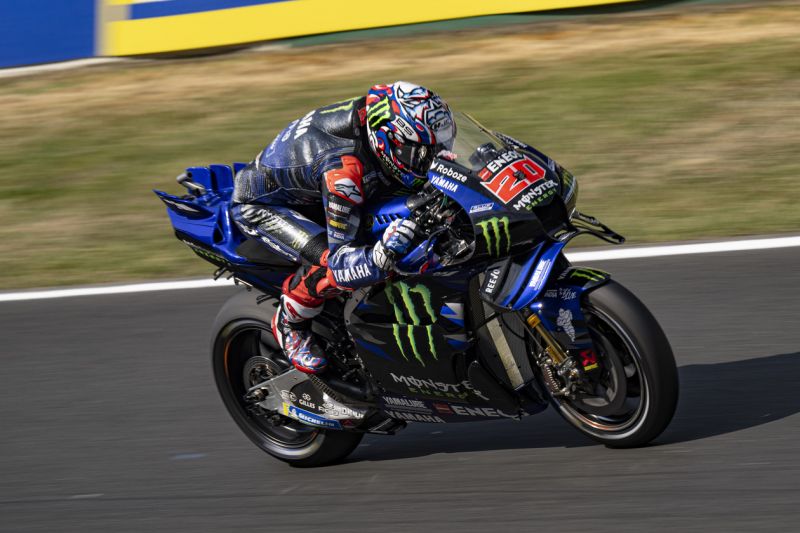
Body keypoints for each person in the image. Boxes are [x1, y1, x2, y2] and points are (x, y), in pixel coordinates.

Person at [230, 81, 456, 374]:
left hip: (315, 184)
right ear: (387, 141)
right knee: (330, 263)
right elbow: (342, 264)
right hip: (265, 206)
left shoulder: (384, 114)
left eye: (441, 146)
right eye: (421, 153)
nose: (433, 159)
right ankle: (290, 322)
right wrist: (380, 255)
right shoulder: (344, 175)